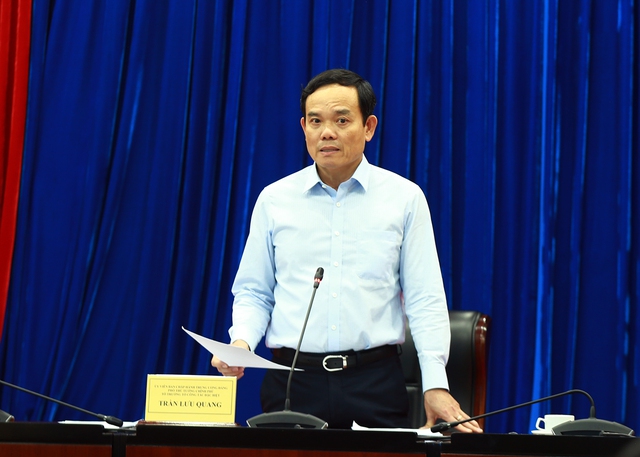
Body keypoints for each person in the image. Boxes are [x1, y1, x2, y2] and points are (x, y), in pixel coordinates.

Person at [211, 68, 482, 433]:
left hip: (374, 383)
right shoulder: (275, 200)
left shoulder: (404, 199)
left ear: (368, 127)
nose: (327, 132)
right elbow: (255, 291)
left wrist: (435, 384)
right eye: (315, 121)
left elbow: (424, 299)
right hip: (292, 382)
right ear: (304, 127)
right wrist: (241, 341)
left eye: (341, 120)